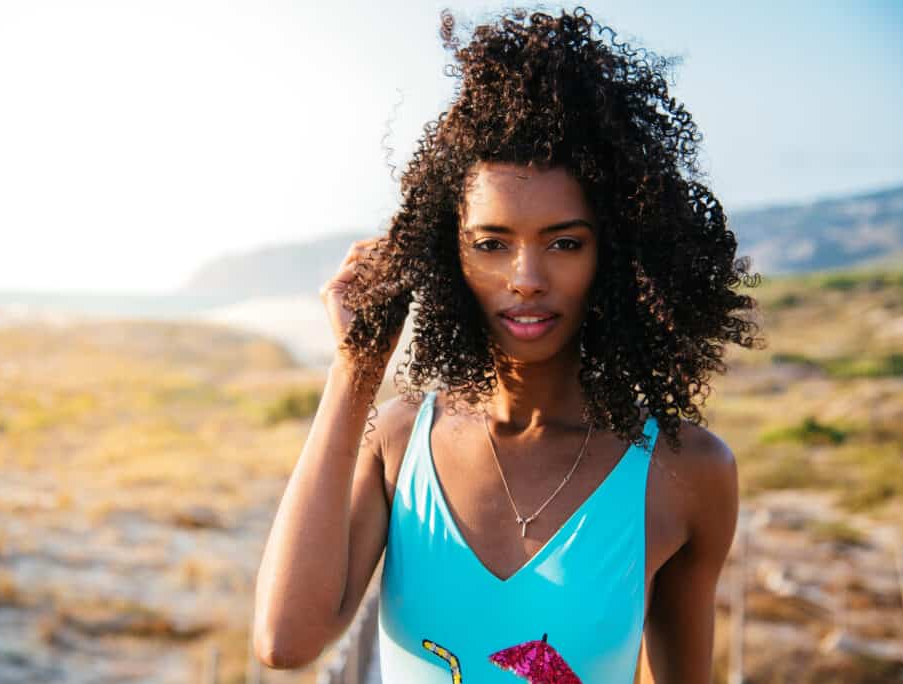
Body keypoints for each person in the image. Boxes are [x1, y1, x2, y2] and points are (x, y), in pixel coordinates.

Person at [253, 6, 763, 683]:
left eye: (564, 243)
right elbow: (285, 641)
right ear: (448, 256)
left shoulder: (686, 471)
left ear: (616, 256)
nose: (525, 279)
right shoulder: (402, 441)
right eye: (491, 244)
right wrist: (355, 372)